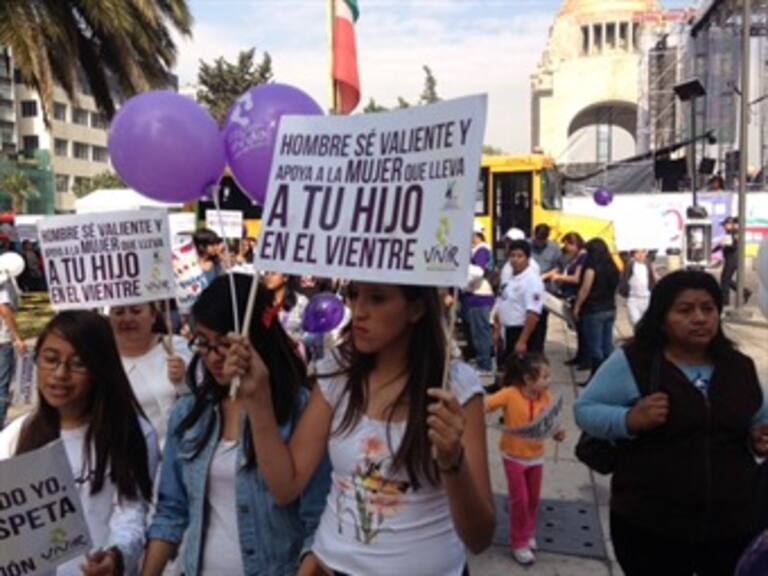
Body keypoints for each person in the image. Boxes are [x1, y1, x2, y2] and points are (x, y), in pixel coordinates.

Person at [222, 281, 496, 575]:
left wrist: (453, 462)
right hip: (333, 566)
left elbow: (479, 537)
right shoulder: (337, 371)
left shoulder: (455, 388)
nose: (359, 311)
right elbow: (285, 486)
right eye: (354, 295)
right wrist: (259, 402)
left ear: (416, 309)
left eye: (377, 298)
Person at [574, 270, 768, 576]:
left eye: (708, 308)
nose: (700, 318)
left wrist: (759, 437)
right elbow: (585, 409)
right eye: (685, 310)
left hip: (731, 525)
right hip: (650, 526)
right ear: (662, 318)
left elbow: (760, 418)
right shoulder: (634, 362)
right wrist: (628, 419)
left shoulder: (738, 367)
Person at [143, 274, 331, 576]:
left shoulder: (303, 412)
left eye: (225, 344)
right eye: (203, 344)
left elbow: (318, 522)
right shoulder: (190, 414)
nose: (214, 357)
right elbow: (171, 511)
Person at [0, 311, 159, 575]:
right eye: (50, 360)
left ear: (100, 369)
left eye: (77, 364)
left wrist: (116, 556)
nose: (60, 374)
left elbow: (132, 512)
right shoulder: (14, 437)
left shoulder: (133, 433)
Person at [485, 352, 564, 566]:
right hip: (513, 457)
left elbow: (552, 422)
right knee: (519, 500)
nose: (549, 381)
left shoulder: (546, 397)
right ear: (529, 379)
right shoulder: (509, 394)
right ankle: (519, 542)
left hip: (536, 457)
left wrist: (558, 432)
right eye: (545, 377)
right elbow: (486, 405)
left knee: (533, 499)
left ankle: (528, 532)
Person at [109, 302, 191, 448]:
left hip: (186, 453)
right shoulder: (104, 360)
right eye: (119, 312)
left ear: (153, 315)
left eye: (136, 311)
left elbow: (204, 396)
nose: (127, 319)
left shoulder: (177, 347)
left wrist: (183, 381)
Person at [573, 238, 619, 378]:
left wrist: (577, 306)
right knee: (608, 344)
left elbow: (585, 288)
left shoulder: (591, 266)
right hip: (610, 308)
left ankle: (597, 376)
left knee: (595, 346)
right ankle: (611, 374)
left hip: (593, 309)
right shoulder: (612, 266)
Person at [494, 239, 545, 359]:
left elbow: (533, 314)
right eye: (512, 256)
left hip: (522, 332)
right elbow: (502, 302)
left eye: (519, 256)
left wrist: (522, 341)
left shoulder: (532, 281)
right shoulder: (511, 278)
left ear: (527, 258)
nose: (515, 259)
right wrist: (497, 331)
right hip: (507, 331)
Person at [461, 223, 494, 374]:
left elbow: (478, 271)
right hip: (472, 296)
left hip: (480, 295)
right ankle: (480, 359)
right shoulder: (475, 250)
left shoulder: (482, 250)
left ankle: (485, 363)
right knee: (475, 332)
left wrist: (464, 282)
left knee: (481, 332)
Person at [553, 232, 588, 369]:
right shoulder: (575, 257)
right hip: (569, 295)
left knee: (583, 330)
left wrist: (559, 277)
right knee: (578, 329)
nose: (565, 247)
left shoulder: (582, 257)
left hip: (575, 295)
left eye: (567, 244)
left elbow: (576, 278)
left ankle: (585, 358)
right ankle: (580, 356)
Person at [262, 271, 310, 354]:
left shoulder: (300, 302)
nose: (268, 277)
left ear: (285, 277)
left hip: (293, 355)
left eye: (273, 273)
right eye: (266, 273)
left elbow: (310, 332)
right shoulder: (261, 301)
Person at [0, 275, 25, 428]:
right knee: (2, 386)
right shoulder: (3, 281)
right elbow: (4, 309)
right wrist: (16, 338)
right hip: (2, 340)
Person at [717, 216, 752, 306]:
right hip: (731, 259)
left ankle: (725, 303)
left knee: (724, 281)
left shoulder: (734, 233)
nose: (724, 227)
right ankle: (744, 292)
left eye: (726, 225)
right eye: (724, 225)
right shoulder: (731, 233)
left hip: (732, 260)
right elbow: (722, 246)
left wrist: (725, 245)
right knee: (726, 280)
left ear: (731, 225)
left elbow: (733, 246)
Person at [619, 249, 656, 327]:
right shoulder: (630, 264)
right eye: (637, 252)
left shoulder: (648, 264)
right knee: (636, 324)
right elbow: (624, 278)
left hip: (647, 299)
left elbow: (653, 278)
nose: (640, 255)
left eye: (643, 252)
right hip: (633, 299)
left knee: (648, 325)